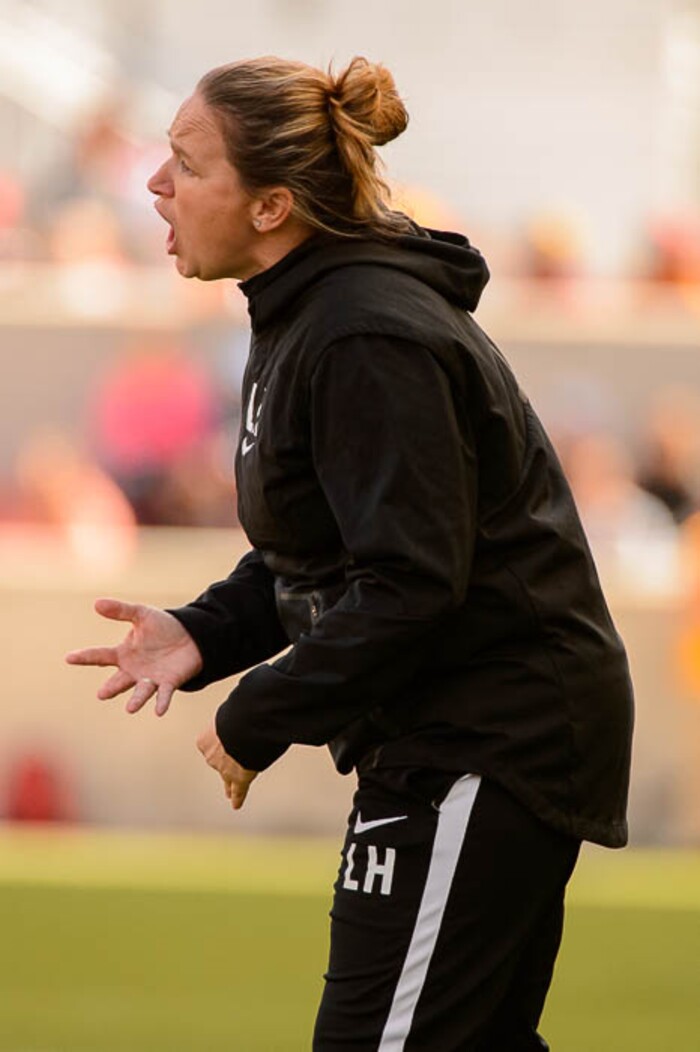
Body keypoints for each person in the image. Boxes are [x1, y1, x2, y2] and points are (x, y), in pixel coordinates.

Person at [66, 56, 634, 1051]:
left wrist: (260, 714)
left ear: (272, 205)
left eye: (186, 165)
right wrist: (203, 632)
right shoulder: (308, 318)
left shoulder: (363, 331)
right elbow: (324, 545)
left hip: (489, 735)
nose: (155, 186)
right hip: (451, 733)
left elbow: (413, 580)